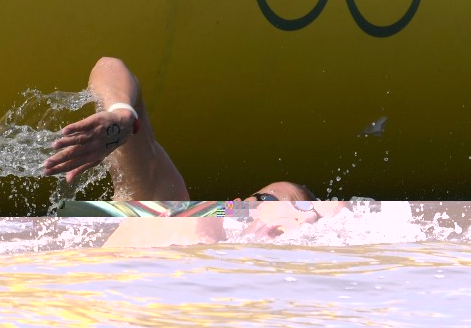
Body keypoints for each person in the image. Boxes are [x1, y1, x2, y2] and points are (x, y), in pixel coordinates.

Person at [42, 57, 348, 247]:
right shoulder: (167, 205)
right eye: (267, 199)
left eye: (305, 213)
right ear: (237, 204)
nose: (291, 213)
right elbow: (110, 66)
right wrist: (121, 113)